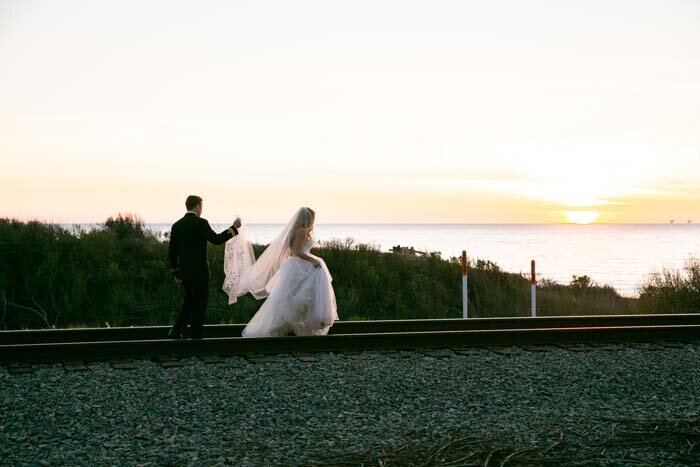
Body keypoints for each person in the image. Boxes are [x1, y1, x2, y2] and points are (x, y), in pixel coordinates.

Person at [223, 207, 338, 337]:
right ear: (308, 218)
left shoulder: (294, 230)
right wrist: (313, 261)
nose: (313, 221)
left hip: (296, 266)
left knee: (290, 299)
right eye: (312, 218)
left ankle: (293, 328)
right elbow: (297, 251)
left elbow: (290, 251)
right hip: (300, 266)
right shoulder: (301, 231)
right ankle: (309, 323)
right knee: (300, 296)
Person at [168, 195, 241, 339]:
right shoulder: (201, 223)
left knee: (189, 301)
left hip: (185, 272)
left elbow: (172, 252)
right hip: (200, 272)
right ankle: (195, 335)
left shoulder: (176, 225)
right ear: (197, 206)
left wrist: (175, 272)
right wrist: (234, 228)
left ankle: (177, 330)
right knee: (200, 304)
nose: (201, 210)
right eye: (201, 207)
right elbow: (217, 239)